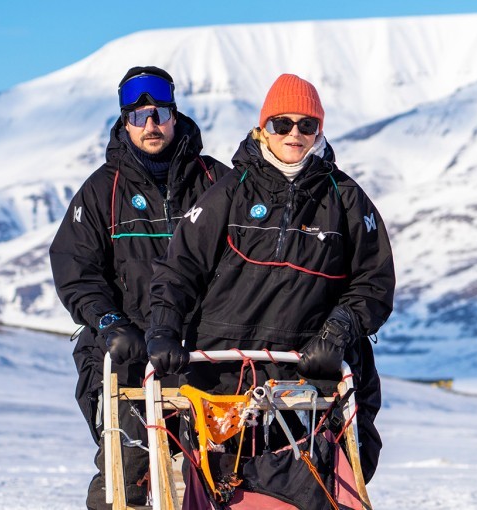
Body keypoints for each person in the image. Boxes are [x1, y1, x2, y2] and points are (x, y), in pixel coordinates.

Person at [145, 73, 395, 482]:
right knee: (219, 487)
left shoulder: (347, 199)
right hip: (222, 369)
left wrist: (336, 333)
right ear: (264, 128)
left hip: (306, 370)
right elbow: (180, 267)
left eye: (307, 125)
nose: (294, 134)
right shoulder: (229, 192)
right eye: (282, 124)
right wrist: (163, 330)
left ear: (319, 130)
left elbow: (374, 282)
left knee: (311, 486)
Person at [49, 66, 230, 509]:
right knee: (125, 472)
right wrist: (108, 322)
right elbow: (75, 267)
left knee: (215, 474)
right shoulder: (101, 191)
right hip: (126, 358)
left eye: (159, 113)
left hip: (202, 357)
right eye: (139, 115)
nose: (151, 124)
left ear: (174, 115)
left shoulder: (217, 183)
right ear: (124, 122)